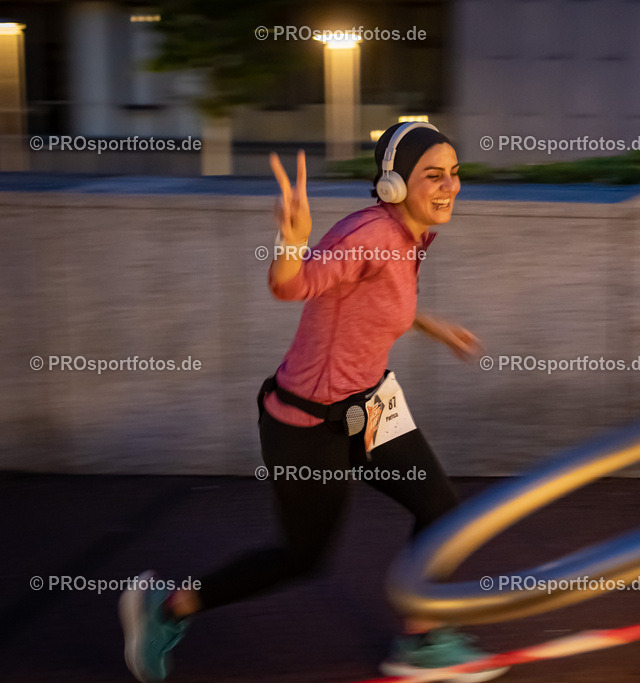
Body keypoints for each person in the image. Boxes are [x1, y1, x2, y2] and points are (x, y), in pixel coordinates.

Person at [119, 122, 508, 682]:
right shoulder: (366, 233)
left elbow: (369, 295)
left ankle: (421, 641)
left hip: (371, 407)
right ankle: (166, 606)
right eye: (433, 175)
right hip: (307, 423)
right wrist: (292, 240)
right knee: (301, 557)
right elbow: (292, 285)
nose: (449, 186)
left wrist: (428, 324)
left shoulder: (411, 233)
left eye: (454, 174)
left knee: (441, 510)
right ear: (395, 183)